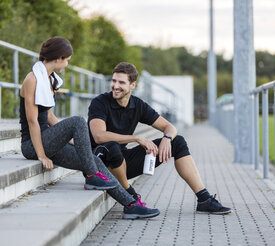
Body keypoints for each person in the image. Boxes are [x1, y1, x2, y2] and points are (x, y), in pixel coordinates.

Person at [20, 37, 159, 219]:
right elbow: (32, 121)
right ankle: (92, 175)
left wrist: (74, 140)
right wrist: (41, 154)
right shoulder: (32, 79)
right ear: (59, 58)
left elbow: (49, 117)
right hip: (32, 144)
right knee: (78, 121)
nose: (68, 63)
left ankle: (131, 204)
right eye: (68, 59)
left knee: (95, 160)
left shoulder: (49, 79)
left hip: (49, 140)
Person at [88, 62, 232, 215]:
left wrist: (167, 139)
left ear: (132, 85)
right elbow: (99, 136)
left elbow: (170, 127)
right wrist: (137, 138)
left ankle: (204, 199)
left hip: (122, 163)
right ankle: (131, 197)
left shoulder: (138, 105)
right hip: (100, 164)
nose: (115, 86)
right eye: (114, 81)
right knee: (112, 147)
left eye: (121, 82)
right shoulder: (100, 102)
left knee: (178, 141)